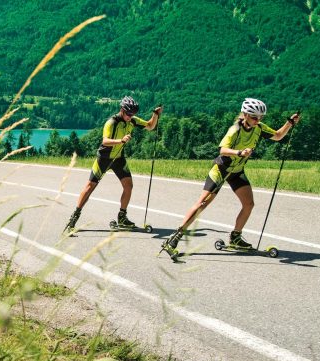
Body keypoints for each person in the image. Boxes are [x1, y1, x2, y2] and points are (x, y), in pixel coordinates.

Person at [162, 98, 300, 252]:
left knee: (249, 204)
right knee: (202, 204)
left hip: (237, 171)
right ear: (246, 114)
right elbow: (222, 149)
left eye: (260, 117)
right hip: (221, 170)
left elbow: (278, 136)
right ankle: (175, 236)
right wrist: (239, 152)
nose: (258, 120)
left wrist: (289, 123)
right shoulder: (235, 129)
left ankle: (235, 237)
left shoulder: (259, 128)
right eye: (255, 117)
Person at [64, 96, 162, 233]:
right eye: (128, 114)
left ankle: (122, 217)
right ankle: (74, 218)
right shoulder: (111, 122)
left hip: (119, 159)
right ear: (122, 110)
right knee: (90, 187)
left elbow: (151, 126)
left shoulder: (133, 121)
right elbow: (105, 141)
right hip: (104, 158)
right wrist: (121, 141)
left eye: (133, 114)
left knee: (129, 185)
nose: (130, 116)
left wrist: (155, 114)